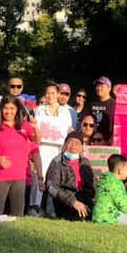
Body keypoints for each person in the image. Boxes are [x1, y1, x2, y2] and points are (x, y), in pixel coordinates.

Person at [0, 96, 40, 217]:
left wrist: (36, 127)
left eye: (12, 108)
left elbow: (37, 143)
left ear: (17, 110)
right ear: (1, 109)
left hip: (20, 177)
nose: (9, 112)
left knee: (17, 215)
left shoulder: (24, 126)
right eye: (5, 108)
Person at [33, 83, 73, 215]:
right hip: (42, 147)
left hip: (59, 149)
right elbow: (35, 130)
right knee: (39, 176)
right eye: (48, 93)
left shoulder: (65, 112)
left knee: (55, 178)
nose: (50, 96)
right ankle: (35, 206)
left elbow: (68, 131)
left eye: (53, 93)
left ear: (58, 94)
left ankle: (52, 208)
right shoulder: (39, 110)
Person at [44, 131, 95, 221]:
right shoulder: (57, 162)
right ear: (64, 145)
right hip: (64, 203)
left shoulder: (85, 162)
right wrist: (73, 202)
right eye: (70, 142)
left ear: (82, 147)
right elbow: (51, 186)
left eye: (77, 143)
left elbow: (91, 185)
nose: (73, 146)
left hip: (83, 200)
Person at [92, 153, 127, 225]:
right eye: (126, 170)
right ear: (120, 171)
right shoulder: (114, 183)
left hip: (99, 215)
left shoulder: (106, 179)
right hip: (108, 217)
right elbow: (124, 206)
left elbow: (124, 201)